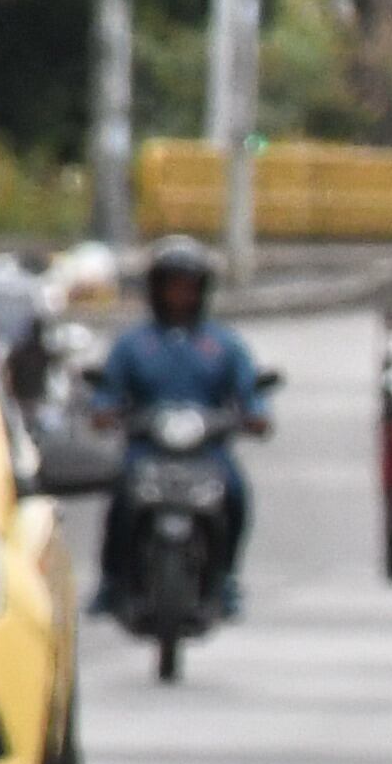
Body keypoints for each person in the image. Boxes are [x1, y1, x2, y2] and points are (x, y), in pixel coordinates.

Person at [92, 235, 267, 620]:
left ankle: (225, 577)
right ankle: (111, 579)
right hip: (147, 448)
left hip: (207, 452)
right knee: (121, 497)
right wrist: (104, 411)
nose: (180, 295)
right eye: (172, 285)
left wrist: (255, 414)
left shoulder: (224, 345)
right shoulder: (133, 345)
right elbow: (107, 392)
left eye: (188, 286)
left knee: (235, 494)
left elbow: (249, 393)